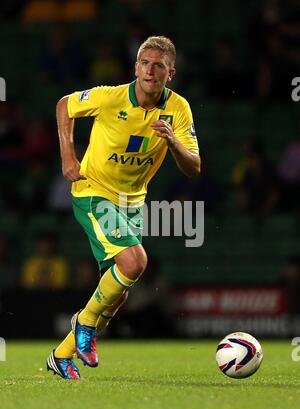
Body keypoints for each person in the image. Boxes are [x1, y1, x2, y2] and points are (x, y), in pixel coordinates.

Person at [46, 36, 201, 379]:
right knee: (135, 262)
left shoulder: (178, 109)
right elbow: (64, 105)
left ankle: (61, 355)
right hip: (93, 191)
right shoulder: (110, 97)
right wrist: (68, 156)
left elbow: (194, 167)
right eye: (144, 62)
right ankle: (84, 322)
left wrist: (174, 141)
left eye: (158, 65)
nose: (150, 69)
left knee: (117, 294)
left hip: (132, 202)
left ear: (170, 73)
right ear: (135, 67)